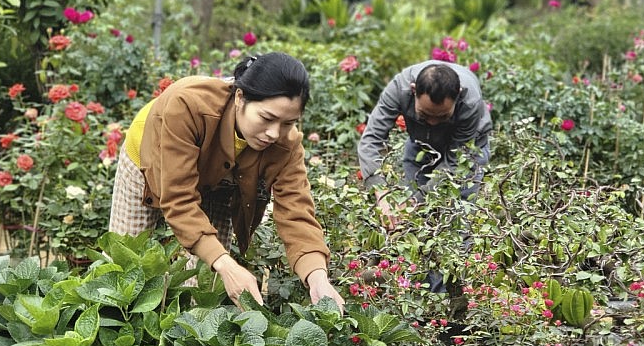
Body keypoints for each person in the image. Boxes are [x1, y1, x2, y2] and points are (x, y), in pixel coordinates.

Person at [109, 52, 344, 311]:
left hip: (221, 180)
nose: (274, 133)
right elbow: (178, 199)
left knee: (207, 284)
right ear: (240, 97)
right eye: (266, 118)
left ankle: (185, 341)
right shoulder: (186, 106)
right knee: (126, 264)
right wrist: (226, 263)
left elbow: (297, 212)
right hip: (150, 157)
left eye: (288, 123)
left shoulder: (285, 143)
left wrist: (317, 278)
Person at [358, 60, 492, 226]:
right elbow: (371, 140)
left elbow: (456, 162)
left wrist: (417, 201)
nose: (433, 122)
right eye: (425, 114)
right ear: (413, 90)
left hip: (465, 150)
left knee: (458, 217)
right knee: (409, 218)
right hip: (421, 146)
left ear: (458, 95)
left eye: (442, 116)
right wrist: (381, 191)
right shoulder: (399, 89)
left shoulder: (470, 102)